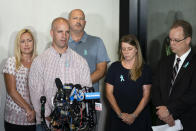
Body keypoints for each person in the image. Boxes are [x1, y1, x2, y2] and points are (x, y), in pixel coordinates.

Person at [28, 17, 92, 131]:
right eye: (60, 32)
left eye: (67, 32)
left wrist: (75, 114)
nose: (64, 36)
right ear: (52, 33)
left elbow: (86, 90)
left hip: (74, 124)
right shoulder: (40, 61)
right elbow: (36, 93)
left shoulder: (80, 61)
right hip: (47, 124)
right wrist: (51, 118)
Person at [152, 20, 196, 131]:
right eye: (170, 39)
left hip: (186, 121)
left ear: (188, 40)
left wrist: (170, 110)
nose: (172, 43)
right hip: (162, 121)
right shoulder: (164, 61)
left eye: (176, 40)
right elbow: (155, 88)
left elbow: (192, 94)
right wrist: (162, 112)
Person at [105, 34, 152, 131]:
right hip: (117, 118)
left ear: (136, 50)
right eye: (123, 49)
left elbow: (146, 95)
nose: (126, 52)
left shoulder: (145, 69)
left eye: (129, 49)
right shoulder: (114, 67)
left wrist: (134, 115)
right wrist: (120, 114)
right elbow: (109, 93)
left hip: (139, 118)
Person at [68, 9, 110, 92]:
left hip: (90, 96)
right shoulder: (61, 43)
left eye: (81, 19)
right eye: (75, 18)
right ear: (68, 21)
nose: (78, 21)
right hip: (66, 96)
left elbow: (101, 70)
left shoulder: (97, 42)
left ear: (85, 22)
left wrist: (80, 86)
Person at [3, 29, 37, 131]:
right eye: (22, 41)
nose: (26, 44)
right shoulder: (11, 62)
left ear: (33, 43)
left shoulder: (39, 62)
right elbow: (12, 91)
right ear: (18, 44)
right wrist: (29, 110)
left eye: (29, 40)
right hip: (14, 118)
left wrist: (36, 112)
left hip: (35, 117)